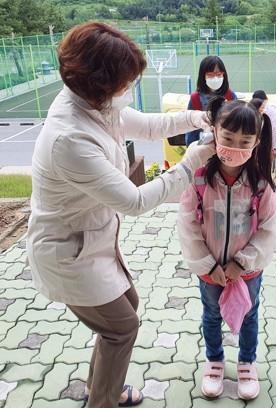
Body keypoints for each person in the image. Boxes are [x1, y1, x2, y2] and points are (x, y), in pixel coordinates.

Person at [26, 23, 215, 408]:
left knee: (126, 308)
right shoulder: (70, 137)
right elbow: (133, 201)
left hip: (91, 241)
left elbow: (147, 124)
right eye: (124, 81)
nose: (128, 88)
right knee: (122, 328)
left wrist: (195, 118)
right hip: (67, 252)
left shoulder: (95, 103)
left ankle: (100, 387)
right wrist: (191, 162)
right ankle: (103, 401)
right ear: (99, 82)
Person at [177, 98, 276, 400]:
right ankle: (214, 360)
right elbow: (187, 222)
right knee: (210, 315)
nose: (235, 147)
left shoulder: (261, 183)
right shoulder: (197, 177)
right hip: (210, 270)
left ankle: (247, 362)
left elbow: (269, 229)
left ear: (257, 142)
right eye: (228, 138)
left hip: (247, 271)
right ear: (214, 131)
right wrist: (207, 264)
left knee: (249, 315)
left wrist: (243, 264)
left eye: (245, 141)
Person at [185, 56, 237, 146]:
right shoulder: (196, 98)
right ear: (203, 76)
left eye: (218, 74)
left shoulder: (230, 96)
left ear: (223, 74)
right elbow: (191, 128)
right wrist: (192, 148)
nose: (215, 78)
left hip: (226, 146)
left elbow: (236, 123)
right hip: (204, 146)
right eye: (210, 75)